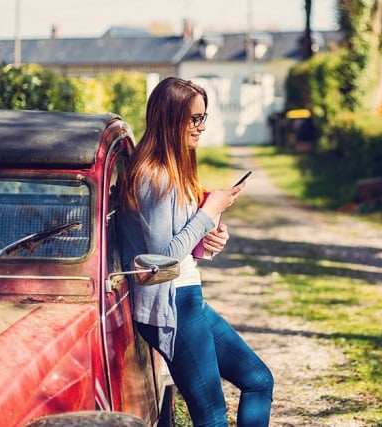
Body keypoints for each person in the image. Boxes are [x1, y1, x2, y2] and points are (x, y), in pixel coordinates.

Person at [118, 76, 274, 427]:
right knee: (211, 417)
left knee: (259, 381)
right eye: (194, 119)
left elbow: (179, 243)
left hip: (188, 299)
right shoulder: (152, 177)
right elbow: (162, 259)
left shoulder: (174, 170)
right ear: (170, 119)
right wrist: (208, 212)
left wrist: (209, 240)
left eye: (203, 117)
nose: (201, 127)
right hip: (172, 305)